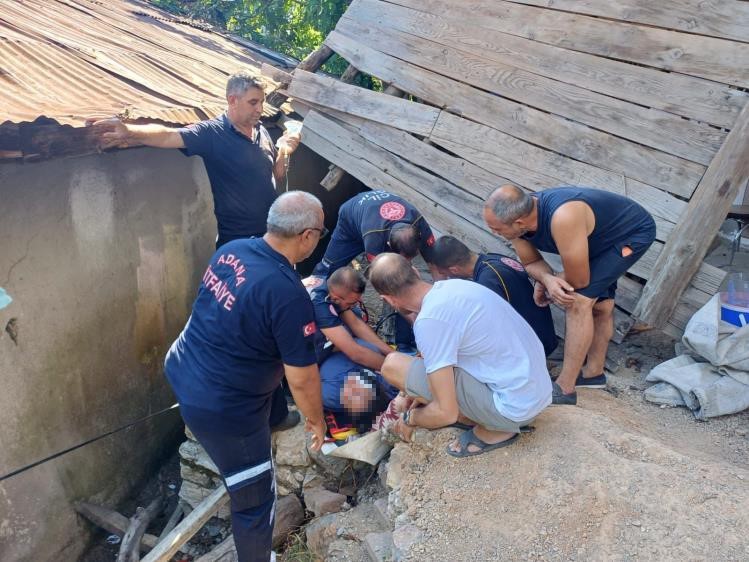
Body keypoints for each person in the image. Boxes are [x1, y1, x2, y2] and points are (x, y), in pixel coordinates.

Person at [90, 70, 301, 430]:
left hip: (271, 243)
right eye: (252, 102)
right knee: (250, 327)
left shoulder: (263, 133)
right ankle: (269, 410)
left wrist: (285, 151)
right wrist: (129, 132)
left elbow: (273, 177)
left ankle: (281, 391)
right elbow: (171, 135)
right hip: (238, 249)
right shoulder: (214, 134)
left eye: (261, 102)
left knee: (274, 319)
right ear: (231, 100)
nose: (258, 109)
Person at [163, 191, 327, 562]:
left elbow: (247, 301)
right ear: (307, 236)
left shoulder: (233, 250)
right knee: (254, 500)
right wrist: (316, 420)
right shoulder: (288, 296)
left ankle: (275, 417)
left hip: (182, 361)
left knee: (261, 360)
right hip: (223, 409)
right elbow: (301, 379)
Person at [483, 185, 656, 405]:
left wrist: (552, 282)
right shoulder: (519, 221)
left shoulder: (563, 217)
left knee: (579, 301)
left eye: (496, 230)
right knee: (601, 305)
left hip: (630, 234)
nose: (494, 233)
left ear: (518, 223)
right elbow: (531, 262)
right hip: (593, 236)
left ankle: (564, 388)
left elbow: (580, 280)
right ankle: (593, 374)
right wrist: (546, 280)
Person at [369, 253, 552, 457]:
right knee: (426, 377)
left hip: (513, 410)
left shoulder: (429, 320)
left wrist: (408, 419)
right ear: (415, 271)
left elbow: (445, 413)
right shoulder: (455, 287)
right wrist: (409, 393)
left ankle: (495, 427)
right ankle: (485, 415)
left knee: (392, 365)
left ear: (387, 299)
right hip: (537, 393)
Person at [312, 189, 436, 350]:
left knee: (402, 285)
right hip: (351, 220)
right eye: (404, 259)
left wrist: (439, 296)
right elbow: (384, 286)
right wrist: (413, 317)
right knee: (326, 269)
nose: (407, 263)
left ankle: (404, 342)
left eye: (411, 259)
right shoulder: (374, 237)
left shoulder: (419, 222)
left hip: (376, 220)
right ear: (389, 245)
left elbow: (435, 265)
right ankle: (316, 309)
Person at [429, 235, 558, 357]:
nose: (447, 277)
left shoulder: (488, 281)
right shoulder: (493, 259)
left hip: (535, 347)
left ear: (454, 270)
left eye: (445, 274)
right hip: (544, 334)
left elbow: (492, 329)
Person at [305, 267, 397, 425]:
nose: (355, 305)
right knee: (332, 394)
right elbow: (356, 353)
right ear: (335, 298)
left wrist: (392, 355)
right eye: (352, 302)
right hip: (307, 361)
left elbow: (356, 324)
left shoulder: (330, 287)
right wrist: (395, 369)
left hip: (328, 349)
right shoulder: (319, 303)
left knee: (371, 349)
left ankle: (385, 382)